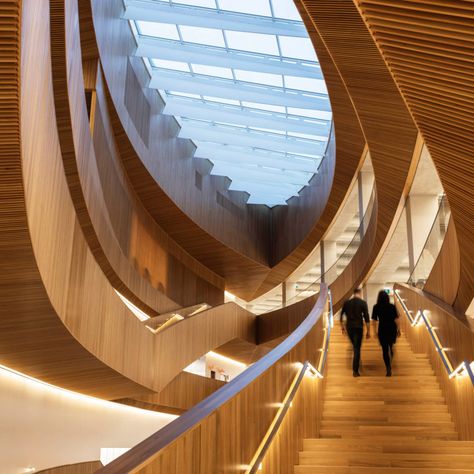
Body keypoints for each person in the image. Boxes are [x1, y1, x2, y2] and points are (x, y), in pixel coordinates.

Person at [341, 288, 370, 377]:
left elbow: (341, 315)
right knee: (357, 348)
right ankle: (355, 371)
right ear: (360, 293)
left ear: (354, 293)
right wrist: (368, 331)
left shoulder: (347, 303)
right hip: (358, 327)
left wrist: (342, 328)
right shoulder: (363, 303)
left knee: (355, 346)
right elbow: (367, 318)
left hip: (349, 327)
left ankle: (357, 362)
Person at [372, 290, 400, 376]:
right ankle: (390, 356)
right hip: (392, 328)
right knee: (390, 346)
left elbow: (374, 320)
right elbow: (397, 319)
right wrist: (398, 330)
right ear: (387, 298)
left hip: (382, 328)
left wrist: (375, 331)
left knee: (384, 349)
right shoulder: (392, 306)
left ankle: (388, 367)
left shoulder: (376, 307)